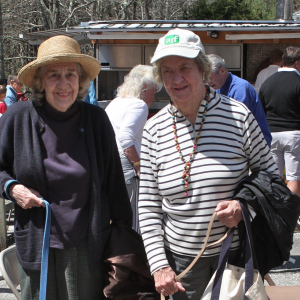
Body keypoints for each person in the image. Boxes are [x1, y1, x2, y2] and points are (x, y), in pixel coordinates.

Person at [138, 28, 278, 300]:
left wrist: (244, 207)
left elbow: (270, 176)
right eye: (167, 70)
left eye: (184, 67)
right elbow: (148, 206)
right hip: (181, 266)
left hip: (234, 259)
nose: (176, 78)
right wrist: (159, 266)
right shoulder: (153, 130)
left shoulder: (238, 116)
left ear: (202, 69)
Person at [0, 35, 132, 300]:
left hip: (86, 247)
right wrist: (13, 188)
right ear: (39, 80)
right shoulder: (19, 118)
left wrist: (124, 242)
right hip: (37, 244)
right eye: (54, 75)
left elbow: (115, 184)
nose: (63, 84)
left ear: (80, 79)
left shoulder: (96, 120)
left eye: (70, 74)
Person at [105, 64, 162, 233]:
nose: (154, 97)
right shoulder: (139, 105)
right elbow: (125, 137)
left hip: (111, 163)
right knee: (134, 218)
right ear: (144, 89)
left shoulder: (116, 103)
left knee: (118, 216)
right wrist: (138, 165)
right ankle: (135, 256)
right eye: (154, 90)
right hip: (126, 165)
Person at [259, 46, 300, 197]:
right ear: (297, 63)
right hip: (294, 135)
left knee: (274, 178)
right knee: (293, 178)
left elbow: (261, 111)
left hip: (272, 135)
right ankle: (291, 215)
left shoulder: (268, 82)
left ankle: (276, 213)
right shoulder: (298, 81)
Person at [207, 54, 272, 147]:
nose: (207, 82)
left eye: (209, 78)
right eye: (204, 78)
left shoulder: (240, 88)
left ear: (222, 71)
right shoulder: (216, 88)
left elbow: (235, 122)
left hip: (255, 145)